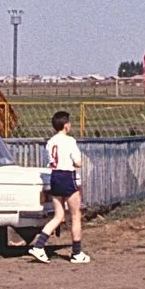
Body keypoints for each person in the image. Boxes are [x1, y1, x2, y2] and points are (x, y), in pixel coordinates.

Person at [26, 111, 89, 263]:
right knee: (75, 215)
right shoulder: (69, 141)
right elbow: (78, 162)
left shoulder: (50, 142)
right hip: (67, 176)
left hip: (55, 177)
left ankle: (39, 246)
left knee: (58, 215)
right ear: (66, 125)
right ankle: (76, 253)